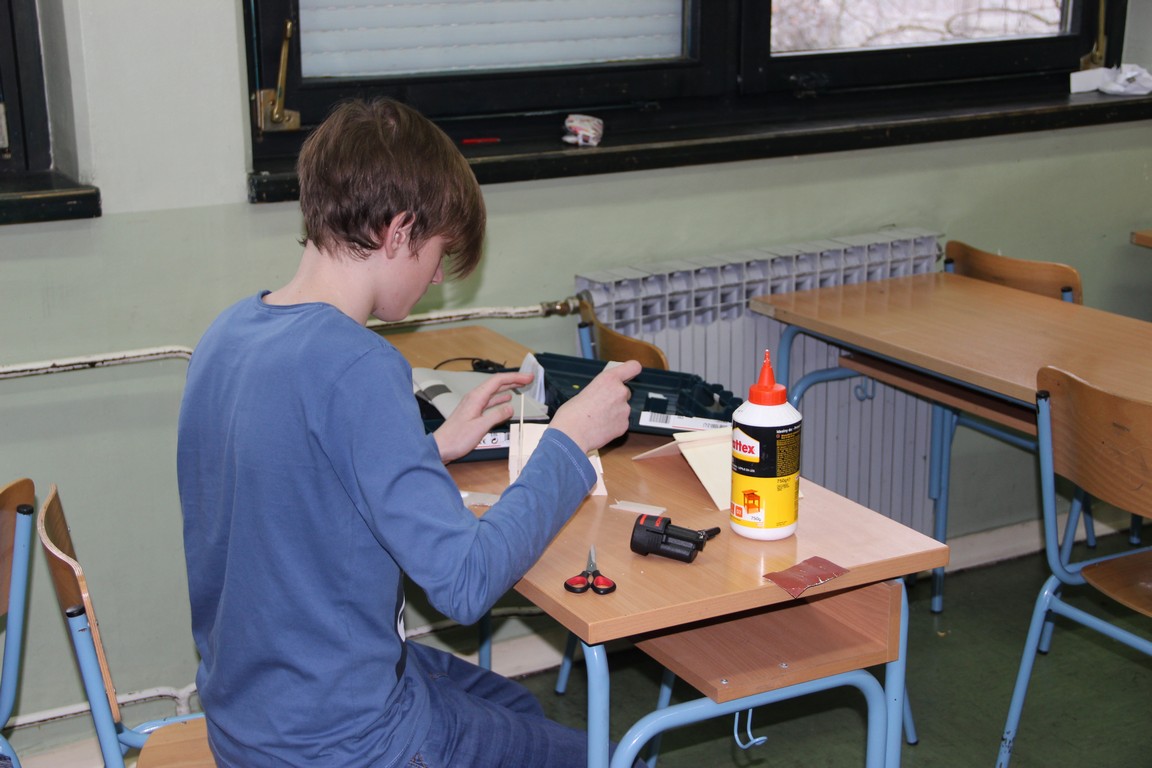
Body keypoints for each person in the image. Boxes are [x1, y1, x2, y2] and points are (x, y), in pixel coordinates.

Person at [177, 98, 643, 767]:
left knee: (513, 705)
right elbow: (465, 584)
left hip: (253, 716)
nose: (436, 278)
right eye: (438, 254)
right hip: (344, 743)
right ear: (399, 232)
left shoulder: (226, 334)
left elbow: (294, 486)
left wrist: (429, 448)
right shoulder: (359, 364)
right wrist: (568, 441)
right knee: (612, 757)